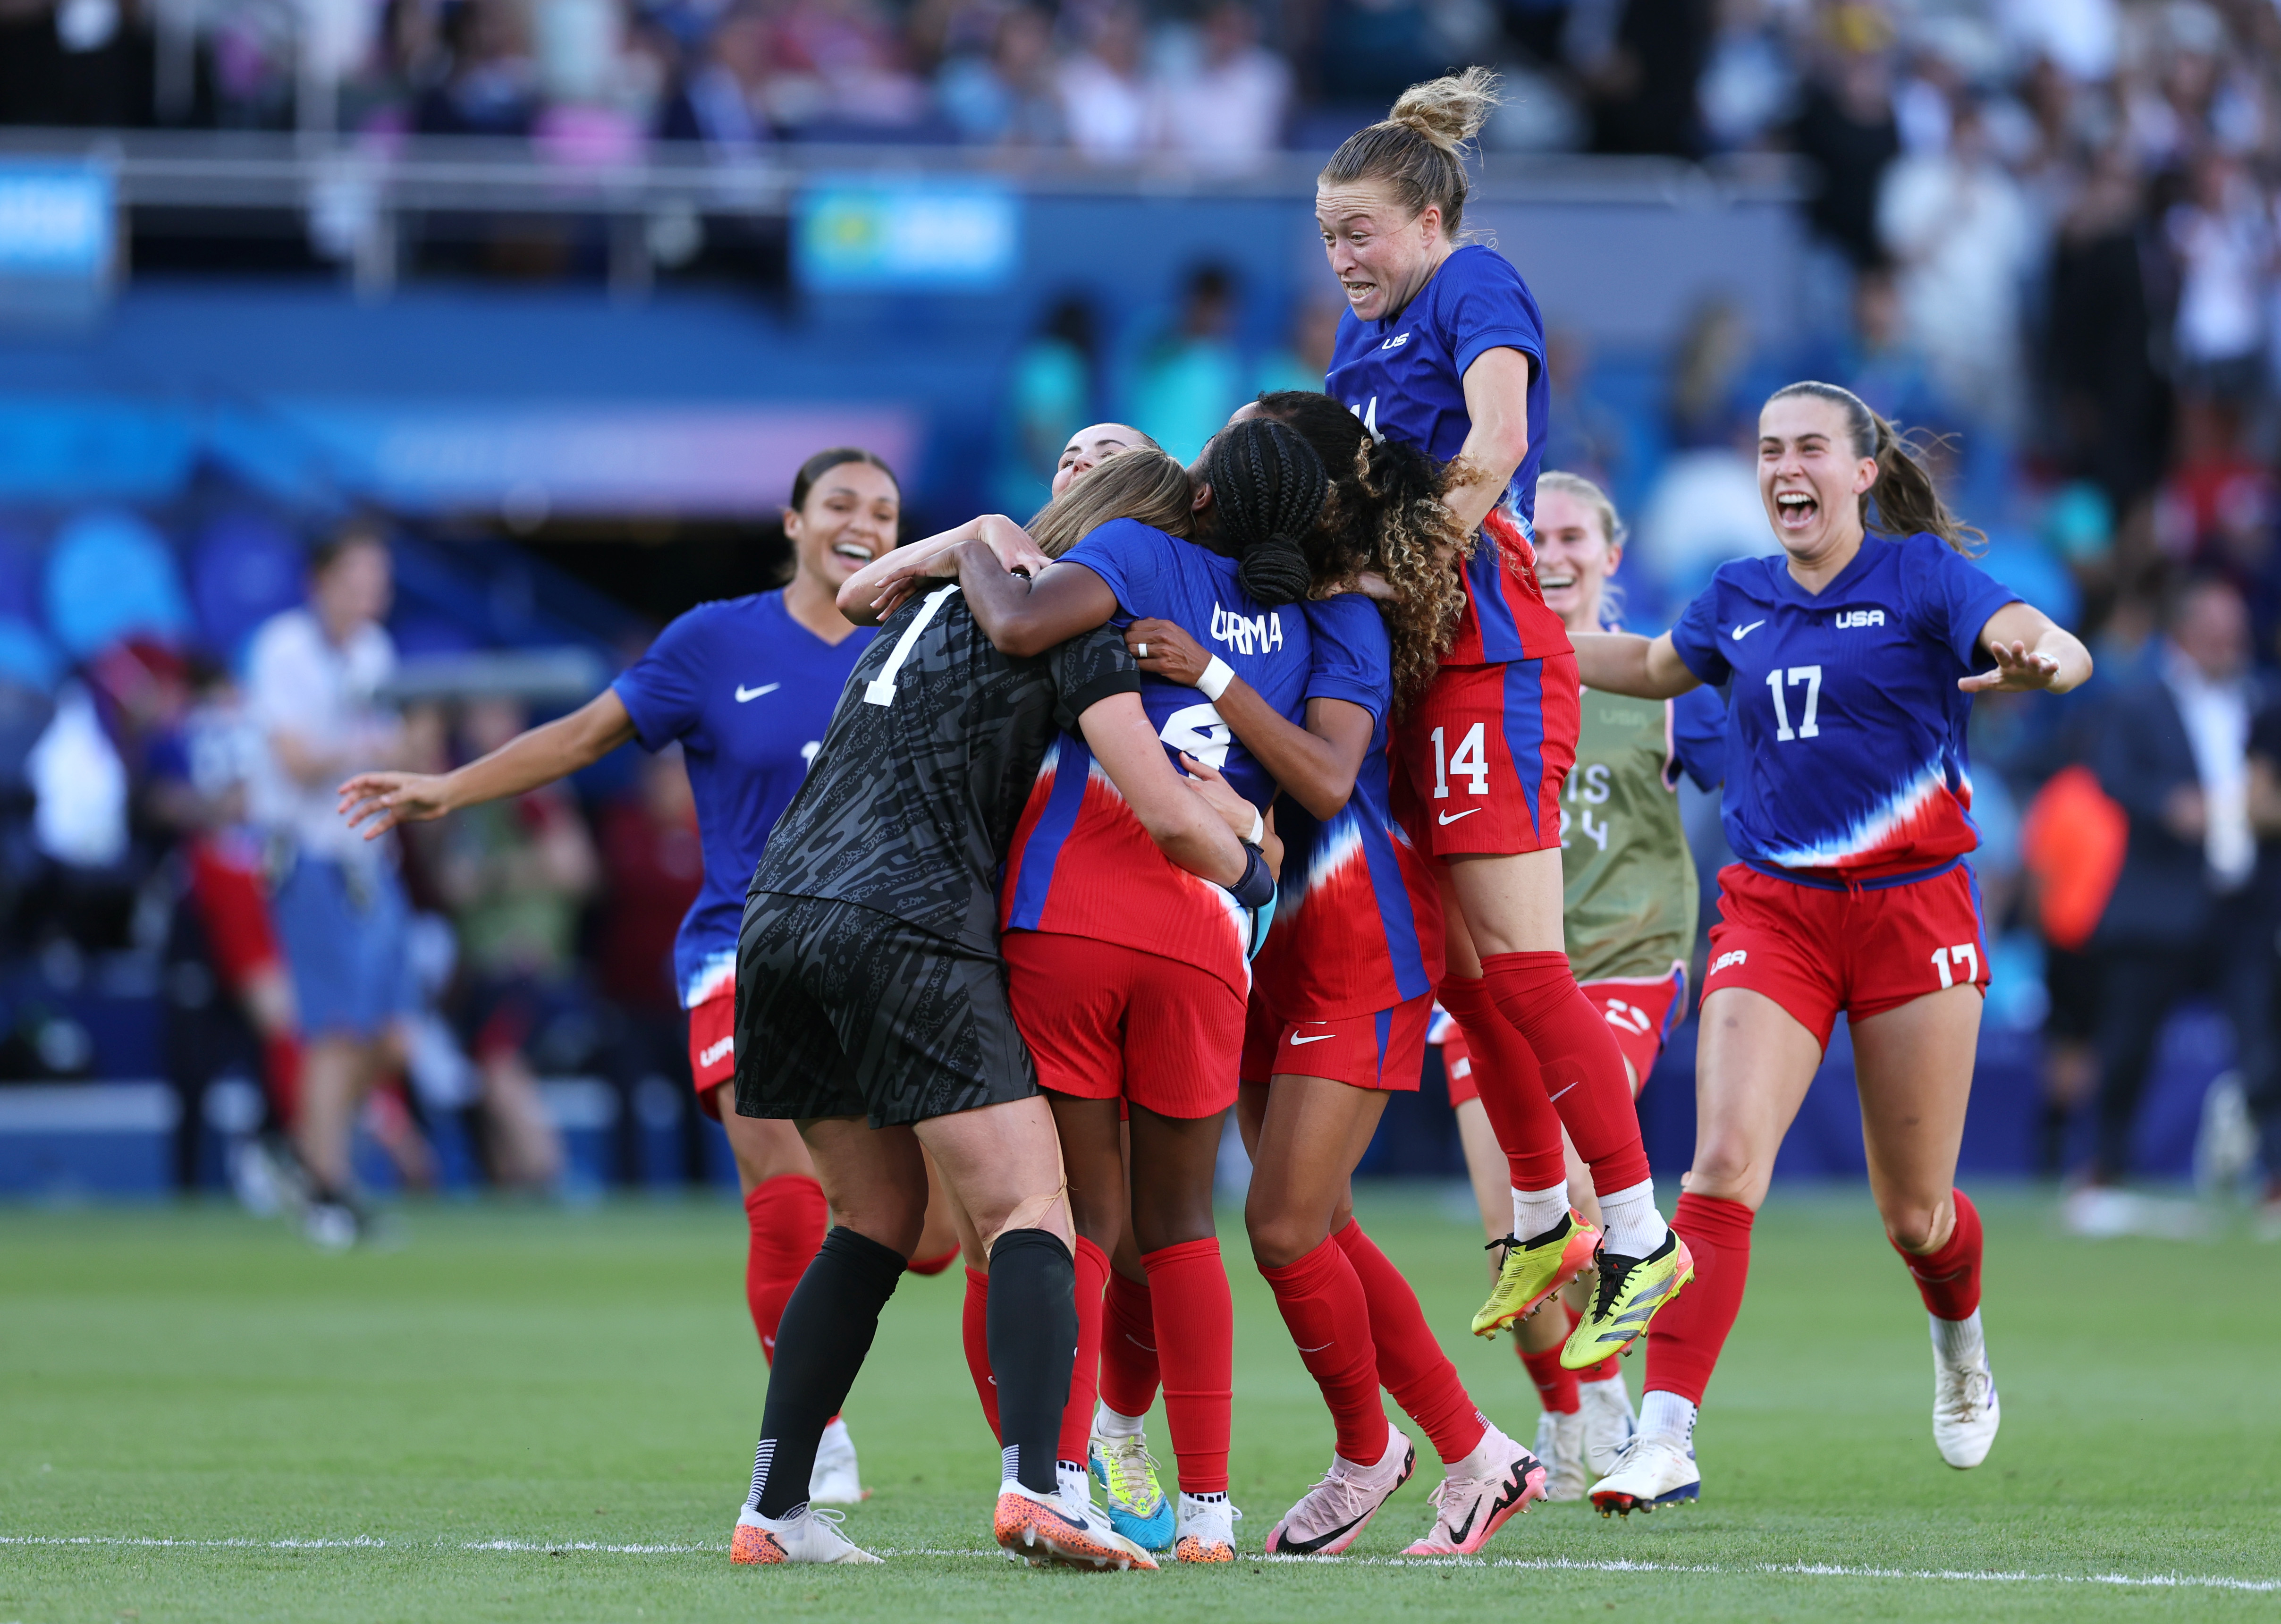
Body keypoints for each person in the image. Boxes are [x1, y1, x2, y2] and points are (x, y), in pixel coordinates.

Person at [340, 448, 946, 1502]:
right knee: (786, 1187)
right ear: (792, 521)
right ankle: (816, 1441)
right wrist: (449, 789)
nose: (863, 523)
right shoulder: (716, 639)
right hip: (743, 953)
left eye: (884, 511)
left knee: (929, 1234)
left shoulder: (924, 647)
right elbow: (584, 736)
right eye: (839, 504)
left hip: (883, 959)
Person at [732, 455, 1270, 1568]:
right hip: (910, 918)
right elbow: (1166, 813)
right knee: (1035, 1205)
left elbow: (852, 594)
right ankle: (1041, 1487)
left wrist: (966, 531)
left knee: (871, 1220)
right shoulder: (1073, 624)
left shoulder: (930, 594)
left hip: (781, 915)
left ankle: (772, 1513)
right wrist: (1255, 867)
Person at [1570, 381, 2091, 1515]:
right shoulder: (1737, 594)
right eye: (1767, 450)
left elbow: (2035, 638)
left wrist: (2048, 655)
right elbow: (1660, 667)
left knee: (1916, 1213)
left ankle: (1958, 1342)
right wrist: (1530, 654)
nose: (1783, 468)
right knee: (1718, 1166)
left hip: (1913, 909)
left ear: (1863, 472)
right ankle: (1666, 1438)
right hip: (1774, 912)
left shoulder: (1920, 577)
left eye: (1808, 448)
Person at [845, 417, 1329, 1564]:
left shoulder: (1126, 555)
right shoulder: (1304, 621)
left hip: (1065, 909)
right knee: (1183, 1228)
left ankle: (1054, 1476)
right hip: (1212, 928)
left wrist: (957, 539)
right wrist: (1252, 846)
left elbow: (1012, 625)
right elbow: (1288, 787)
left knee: (1053, 1222)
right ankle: (1208, 1509)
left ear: (1197, 491)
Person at [1122, 390, 1552, 1556]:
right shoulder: (1251, 591)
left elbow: (1322, 781)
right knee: (1322, 1225)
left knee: (1280, 1223)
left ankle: (1456, 1451)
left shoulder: (1348, 614)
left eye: (1239, 447)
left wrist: (1211, 679)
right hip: (1263, 946)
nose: (1215, 463)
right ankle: (1404, 1451)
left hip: (1362, 946)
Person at [1315, 68, 1685, 1364]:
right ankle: (1540, 1214)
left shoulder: (1474, 282)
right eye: (1328, 238)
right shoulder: (1356, 344)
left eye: (1360, 233)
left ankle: (1638, 1233)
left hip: (1490, 654)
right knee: (1463, 977)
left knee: (1522, 965)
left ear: (1426, 219)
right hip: (1418, 667)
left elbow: (1503, 437)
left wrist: (1392, 568)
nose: (1343, 258)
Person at [1438, 472, 1724, 1500]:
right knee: (1516, 1242)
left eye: (1572, 536)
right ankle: (1574, 1417)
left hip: (1620, 960)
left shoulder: (1658, 684)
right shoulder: (1473, 671)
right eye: (1535, 534)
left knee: (1555, 1179)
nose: (1551, 553)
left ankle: (1612, 1412)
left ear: (1613, 551)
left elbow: (1768, 759)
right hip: (1488, 970)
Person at [2070, 577, 2272, 1226]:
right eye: (2214, 629)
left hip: (2242, 902)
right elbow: (2111, 776)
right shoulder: (2139, 704)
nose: (2226, 642)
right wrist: (2168, 805)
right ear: (2184, 632)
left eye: (2233, 630)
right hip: (2159, 902)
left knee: (2263, 1046)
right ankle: (2103, 1172)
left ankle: (2273, 1179)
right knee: (2128, 1044)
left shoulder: (2259, 701)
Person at [245, 524, 414, 1248]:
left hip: (372, 861)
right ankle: (327, 1186)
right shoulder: (284, 648)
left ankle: (299, 1149)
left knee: (393, 1036)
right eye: (359, 573)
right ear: (323, 579)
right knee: (336, 1029)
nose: (373, 588)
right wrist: (368, 744)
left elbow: (404, 752)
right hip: (311, 858)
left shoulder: (378, 651)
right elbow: (296, 760)